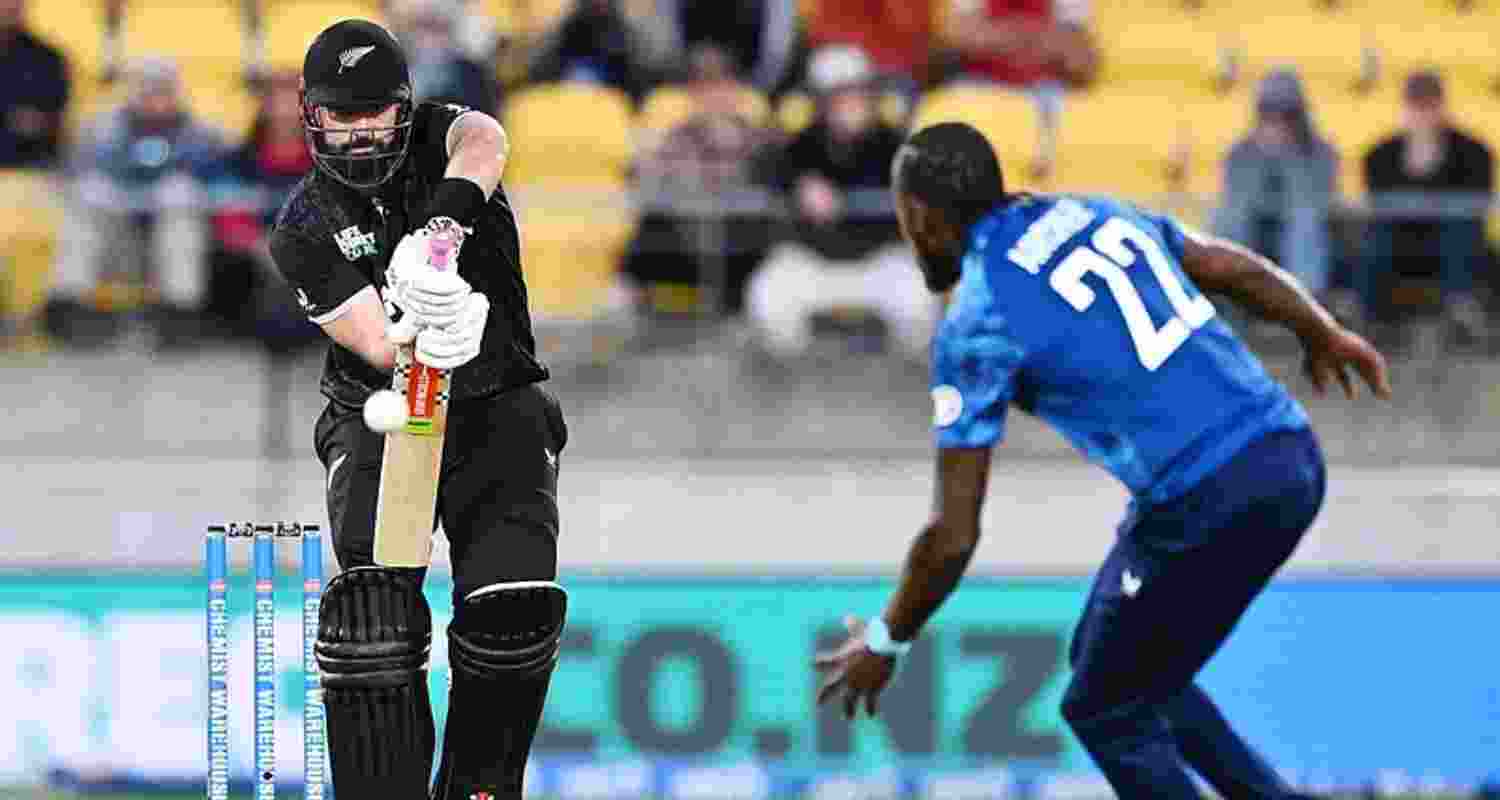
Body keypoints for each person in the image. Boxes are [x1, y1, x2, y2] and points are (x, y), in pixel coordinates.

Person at [813, 122, 1391, 800]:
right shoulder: (1089, 210)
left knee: (1105, 708)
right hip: (1291, 454)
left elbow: (952, 536)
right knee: (1128, 671)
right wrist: (1320, 328)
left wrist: (887, 640)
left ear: (922, 219)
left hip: (1204, 498)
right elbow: (1228, 266)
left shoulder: (976, 322)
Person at [267, 20, 568, 800]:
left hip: (500, 403)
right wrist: (424, 334)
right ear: (312, 113)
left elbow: (486, 140)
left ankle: (481, 788)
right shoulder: (303, 226)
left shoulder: (443, 136)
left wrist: (443, 228)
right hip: (380, 411)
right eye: (342, 112)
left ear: (405, 107)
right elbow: (371, 340)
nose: (360, 129)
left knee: (514, 611)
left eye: (375, 111)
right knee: (374, 622)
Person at [746, 44, 934, 361]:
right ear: (820, 102)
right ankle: (790, 399)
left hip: (879, 261)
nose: (852, 103)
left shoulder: (894, 142)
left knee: (917, 301)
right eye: (840, 95)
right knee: (768, 297)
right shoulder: (801, 144)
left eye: (858, 92)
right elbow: (763, 167)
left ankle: (897, 398)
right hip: (812, 262)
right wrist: (800, 183)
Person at [44, 55, 227, 349]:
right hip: (119, 243)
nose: (155, 99)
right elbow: (72, 178)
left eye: (163, 89)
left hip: (180, 249)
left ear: (177, 93)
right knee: (84, 211)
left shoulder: (203, 136)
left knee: (180, 209)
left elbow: (224, 184)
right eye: (147, 89)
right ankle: (67, 307)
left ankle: (181, 316)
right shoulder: (100, 134)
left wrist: (185, 190)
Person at [1359, 68, 1493, 341]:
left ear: (1442, 107)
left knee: (1462, 231)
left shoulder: (1474, 152)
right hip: (1399, 241)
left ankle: (1461, 312)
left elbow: (1475, 202)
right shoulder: (1379, 154)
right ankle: (1372, 318)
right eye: (1416, 105)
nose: (1423, 114)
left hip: (1453, 242)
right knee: (1376, 238)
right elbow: (1380, 202)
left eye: (1429, 105)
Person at [1214, 68, 1339, 304]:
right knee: (1230, 218)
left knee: (1305, 221)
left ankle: (1303, 304)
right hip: (1254, 231)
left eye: (1286, 115)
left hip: (1303, 234)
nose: (1277, 122)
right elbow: (1239, 198)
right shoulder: (1239, 153)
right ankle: (1226, 298)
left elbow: (1316, 198)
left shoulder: (1322, 152)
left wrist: (1290, 157)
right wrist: (1263, 159)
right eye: (1269, 114)